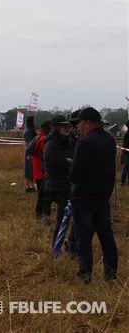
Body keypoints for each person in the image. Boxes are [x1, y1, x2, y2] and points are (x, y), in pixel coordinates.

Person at [69, 107, 118, 283]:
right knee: (107, 239)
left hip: (82, 198)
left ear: (88, 123)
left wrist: (71, 171)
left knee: (84, 239)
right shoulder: (110, 141)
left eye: (80, 124)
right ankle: (111, 277)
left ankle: (85, 276)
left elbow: (75, 174)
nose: (78, 128)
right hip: (103, 197)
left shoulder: (84, 143)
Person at [41, 115, 74, 244]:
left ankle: (66, 244)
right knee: (61, 219)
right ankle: (56, 248)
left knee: (66, 218)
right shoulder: (51, 144)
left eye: (67, 125)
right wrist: (70, 162)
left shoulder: (67, 141)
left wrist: (70, 161)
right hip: (56, 185)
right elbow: (62, 164)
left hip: (65, 184)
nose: (66, 128)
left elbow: (72, 160)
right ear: (55, 127)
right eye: (63, 126)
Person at [28, 120, 51, 220]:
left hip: (37, 170)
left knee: (41, 195)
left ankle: (39, 216)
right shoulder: (43, 140)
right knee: (44, 196)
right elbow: (45, 156)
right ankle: (41, 217)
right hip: (42, 171)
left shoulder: (37, 137)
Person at [23, 116, 37, 194]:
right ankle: (27, 186)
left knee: (31, 169)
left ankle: (31, 186)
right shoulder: (29, 131)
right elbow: (30, 143)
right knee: (28, 169)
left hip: (28, 150)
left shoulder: (27, 130)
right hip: (30, 151)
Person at [121, 120, 129, 186]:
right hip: (127, 153)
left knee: (125, 168)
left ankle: (123, 182)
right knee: (126, 168)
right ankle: (123, 182)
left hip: (125, 153)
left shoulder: (126, 133)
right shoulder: (127, 133)